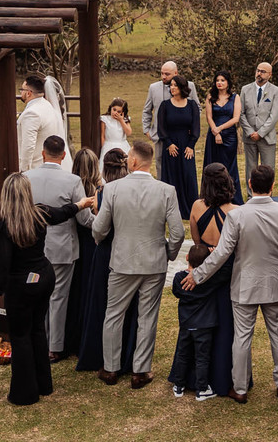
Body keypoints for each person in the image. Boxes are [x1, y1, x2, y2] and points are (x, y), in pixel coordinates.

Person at [0, 175, 96, 405]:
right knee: (38, 330)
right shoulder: (39, 212)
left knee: (20, 336)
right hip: (44, 277)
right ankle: (44, 385)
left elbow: (2, 265)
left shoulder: (5, 225)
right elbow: (63, 212)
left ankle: (24, 394)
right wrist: (82, 204)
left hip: (21, 286)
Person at [183, 164, 278, 404]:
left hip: (245, 283)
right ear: (273, 186)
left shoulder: (238, 215)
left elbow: (222, 253)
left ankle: (240, 388)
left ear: (250, 185)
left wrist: (198, 274)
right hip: (275, 281)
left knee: (242, 337)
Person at [91, 140, 185, 388]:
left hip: (122, 261)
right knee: (147, 316)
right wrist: (168, 254)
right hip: (154, 262)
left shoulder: (112, 190)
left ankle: (110, 369)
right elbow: (177, 233)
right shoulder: (166, 190)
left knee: (113, 315)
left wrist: (99, 240)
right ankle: (140, 371)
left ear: (133, 161)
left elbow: (99, 227)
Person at [23, 135, 94, 363]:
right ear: (63, 156)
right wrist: (103, 223)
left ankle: (38, 342)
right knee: (59, 297)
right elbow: (84, 219)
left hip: (33, 248)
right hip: (63, 248)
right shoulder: (72, 181)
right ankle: (54, 347)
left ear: (43, 153)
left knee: (35, 295)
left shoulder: (26, 177)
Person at [75, 149, 138, 374]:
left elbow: (100, 228)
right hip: (129, 251)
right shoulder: (134, 191)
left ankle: (99, 355)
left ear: (105, 168)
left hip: (106, 253)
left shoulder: (104, 192)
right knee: (129, 306)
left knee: (103, 304)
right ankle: (129, 355)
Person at [184, 164, 238, 396]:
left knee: (203, 321)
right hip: (227, 270)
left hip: (204, 267)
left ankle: (195, 376)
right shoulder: (235, 210)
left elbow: (196, 242)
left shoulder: (196, 206)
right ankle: (224, 376)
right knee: (227, 323)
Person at [168, 243, 230, 401]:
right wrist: (216, 255)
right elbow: (226, 270)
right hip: (205, 325)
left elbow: (176, 292)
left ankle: (179, 385)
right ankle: (201, 388)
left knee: (183, 354)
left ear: (187, 257)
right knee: (202, 357)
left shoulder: (179, 278)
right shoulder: (210, 279)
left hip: (186, 324)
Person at [64, 148, 102, 357]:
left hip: (74, 240)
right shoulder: (100, 188)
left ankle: (71, 337)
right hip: (90, 243)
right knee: (88, 289)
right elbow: (91, 219)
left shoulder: (69, 185)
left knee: (74, 291)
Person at [158, 74, 201, 217]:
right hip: (170, 146)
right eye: (171, 85)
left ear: (182, 87)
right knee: (171, 176)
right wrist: (169, 144)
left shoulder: (192, 105)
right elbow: (161, 128)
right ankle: (170, 209)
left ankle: (190, 209)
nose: (172, 88)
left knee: (188, 176)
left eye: (175, 85)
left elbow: (196, 127)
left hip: (186, 146)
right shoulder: (165, 105)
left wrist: (191, 145)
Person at [142, 60, 197, 172]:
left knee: (183, 165)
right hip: (160, 134)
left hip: (183, 135)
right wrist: (146, 130)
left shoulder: (189, 85)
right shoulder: (153, 88)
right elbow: (147, 110)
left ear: (176, 73)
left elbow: (197, 109)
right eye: (162, 73)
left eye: (167, 74)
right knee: (160, 163)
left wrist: (192, 126)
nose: (163, 77)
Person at [18, 75, 73, 174]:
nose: (20, 92)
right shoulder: (47, 105)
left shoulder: (32, 113)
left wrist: (23, 170)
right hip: (46, 163)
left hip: (34, 167)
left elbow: (28, 145)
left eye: (22, 90)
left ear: (28, 93)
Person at [203, 71, 243, 203]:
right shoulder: (210, 97)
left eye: (222, 80)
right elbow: (209, 117)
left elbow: (236, 118)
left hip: (229, 136)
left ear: (228, 83)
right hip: (213, 135)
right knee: (213, 165)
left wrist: (220, 129)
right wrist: (216, 132)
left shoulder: (235, 97)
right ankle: (212, 196)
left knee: (229, 167)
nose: (219, 83)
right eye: (217, 80)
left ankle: (231, 198)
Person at [240, 62, 278, 176]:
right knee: (250, 168)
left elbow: (274, 116)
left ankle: (267, 192)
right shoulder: (245, 89)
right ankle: (251, 194)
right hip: (249, 137)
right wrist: (249, 132)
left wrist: (260, 133)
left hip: (267, 137)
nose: (259, 74)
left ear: (270, 74)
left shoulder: (275, 91)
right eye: (258, 71)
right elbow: (241, 113)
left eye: (263, 72)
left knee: (268, 168)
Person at [99, 98, 132, 171]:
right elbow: (102, 136)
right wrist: (102, 148)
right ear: (110, 108)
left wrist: (121, 120)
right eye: (114, 110)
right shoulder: (105, 119)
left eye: (119, 111)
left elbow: (129, 133)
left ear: (123, 112)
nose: (115, 113)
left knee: (122, 167)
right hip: (108, 145)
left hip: (122, 145)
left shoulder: (125, 119)